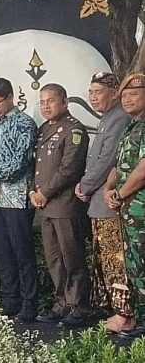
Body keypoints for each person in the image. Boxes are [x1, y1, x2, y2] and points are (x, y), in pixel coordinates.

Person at [75, 72, 133, 333]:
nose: (93, 97)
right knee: (105, 260)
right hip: (99, 203)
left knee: (115, 260)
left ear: (115, 93)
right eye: (90, 92)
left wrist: (84, 185)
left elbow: (108, 159)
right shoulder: (107, 119)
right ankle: (115, 311)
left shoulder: (119, 118)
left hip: (109, 202)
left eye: (98, 92)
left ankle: (125, 315)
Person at [0, 77, 39, 323]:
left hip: (16, 197)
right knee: (2, 251)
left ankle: (29, 303)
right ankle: (9, 299)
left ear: (10, 97)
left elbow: (21, 160)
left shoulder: (25, 123)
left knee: (21, 251)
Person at [31, 83, 90, 328]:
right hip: (44, 205)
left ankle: (79, 306)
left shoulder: (74, 130)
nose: (46, 105)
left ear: (65, 101)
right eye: (42, 101)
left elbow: (70, 169)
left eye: (51, 101)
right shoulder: (45, 128)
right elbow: (39, 166)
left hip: (65, 205)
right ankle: (61, 303)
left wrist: (44, 191)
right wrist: (35, 192)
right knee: (54, 259)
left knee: (71, 257)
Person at [104, 73, 145, 337]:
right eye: (125, 95)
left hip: (140, 209)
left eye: (134, 94)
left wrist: (119, 194)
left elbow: (142, 169)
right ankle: (137, 317)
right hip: (130, 212)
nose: (128, 99)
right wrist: (109, 189)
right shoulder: (131, 126)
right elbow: (120, 167)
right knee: (135, 265)